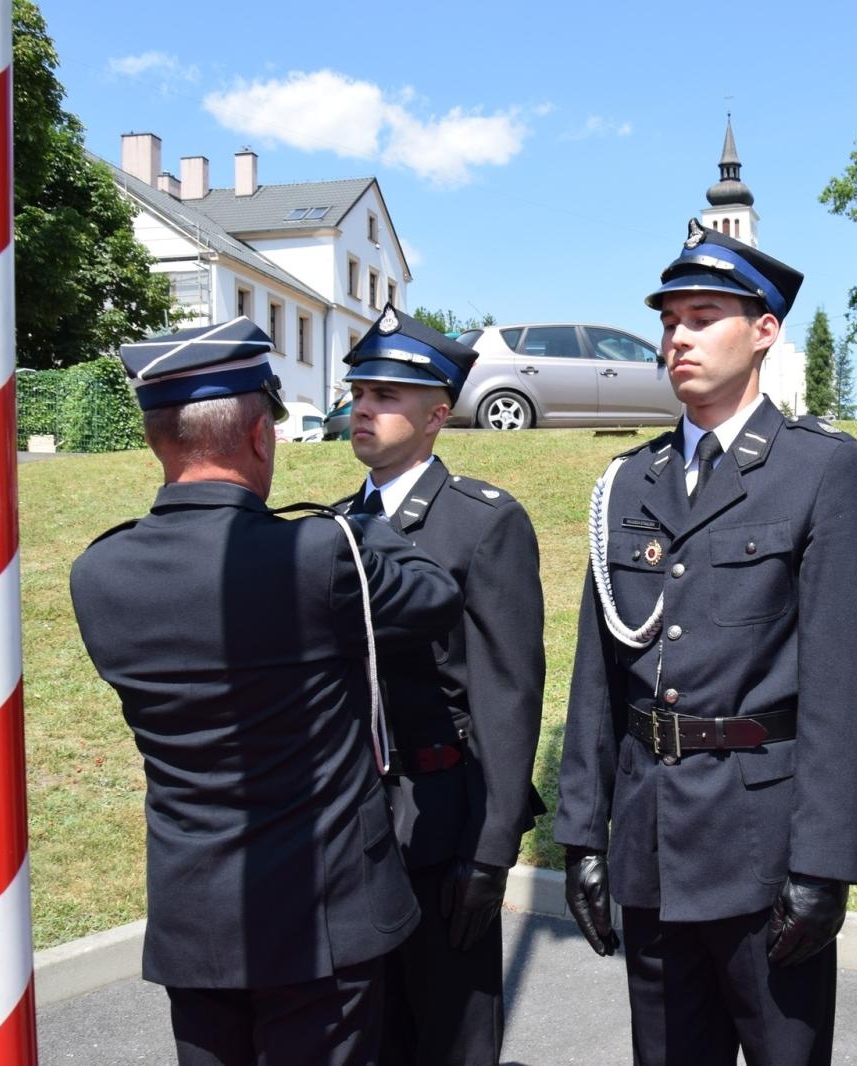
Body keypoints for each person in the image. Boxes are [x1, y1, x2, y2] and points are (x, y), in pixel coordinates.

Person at [70, 317, 462, 1065]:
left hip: (196, 921)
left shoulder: (99, 574)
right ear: (260, 435)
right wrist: (360, 527)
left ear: (160, 438)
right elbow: (434, 595)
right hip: (320, 922)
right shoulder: (320, 554)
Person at [555, 220, 857, 1066]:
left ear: (764, 332)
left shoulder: (820, 470)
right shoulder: (629, 480)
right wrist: (582, 836)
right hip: (651, 840)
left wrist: (825, 863)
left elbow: (846, 687)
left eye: (703, 316)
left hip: (764, 846)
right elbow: (598, 677)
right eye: (670, 320)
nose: (677, 337)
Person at [335, 305, 546, 1065]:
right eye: (360, 391)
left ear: (437, 414)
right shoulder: (328, 529)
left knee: (451, 1036)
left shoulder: (480, 523)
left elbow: (509, 694)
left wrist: (490, 852)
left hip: (442, 818)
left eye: (387, 396)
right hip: (354, 827)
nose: (364, 407)